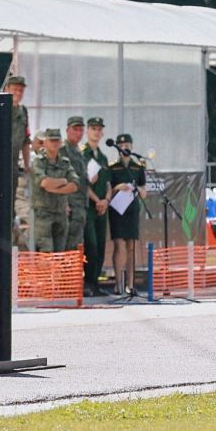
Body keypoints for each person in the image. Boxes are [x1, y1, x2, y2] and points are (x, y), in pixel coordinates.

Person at [107, 133, 147, 295]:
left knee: (131, 246)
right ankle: (118, 283)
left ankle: (130, 284)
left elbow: (144, 192)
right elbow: (109, 188)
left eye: (128, 145)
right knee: (119, 244)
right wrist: (119, 187)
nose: (125, 148)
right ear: (117, 147)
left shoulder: (138, 168)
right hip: (117, 209)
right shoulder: (112, 168)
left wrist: (137, 189)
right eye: (122, 145)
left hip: (132, 209)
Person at [29, 129, 79, 253]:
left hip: (61, 213)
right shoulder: (38, 162)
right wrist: (63, 181)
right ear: (45, 142)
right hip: (43, 214)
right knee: (46, 252)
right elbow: (44, 182)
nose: (54, 143)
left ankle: (56, 274)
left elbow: (75, 185)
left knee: (59, 253)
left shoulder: (65, 162)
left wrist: (53, 189)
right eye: (51, 140)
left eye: (57, 140)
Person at [81, 116, 111, 296]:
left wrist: (106, 200)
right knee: (90, 244)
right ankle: (88, 283)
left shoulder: (103, 157)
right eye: (93, 128)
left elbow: (108, 183)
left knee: (100, 245)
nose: (97, 132)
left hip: (102, 207)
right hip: (89, 206)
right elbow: (83, 184)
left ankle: (95, 283)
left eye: (99, 129)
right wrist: (97, 201)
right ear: (88, 131)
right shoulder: (83, 154)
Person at [4, 76, 31, 227]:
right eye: (15, 89)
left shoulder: (23, 112)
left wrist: (27, 165)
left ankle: (9, 223)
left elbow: (26, 140)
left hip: (13, 163)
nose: (18, 93)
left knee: (11, 196)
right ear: (7, 88)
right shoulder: (0, 108)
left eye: (21, 90)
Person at [63, 116, 89, 254]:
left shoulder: (79, 152)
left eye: (81, 130)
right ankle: (65, 275)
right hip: (71, 206)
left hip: (80, 206)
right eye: (75, 129)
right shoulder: (63, 150)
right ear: (67, 130)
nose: (78, 133)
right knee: (68, 245)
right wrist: (65, 203)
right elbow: (61, 177)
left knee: (77, 246)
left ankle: (72, 275)